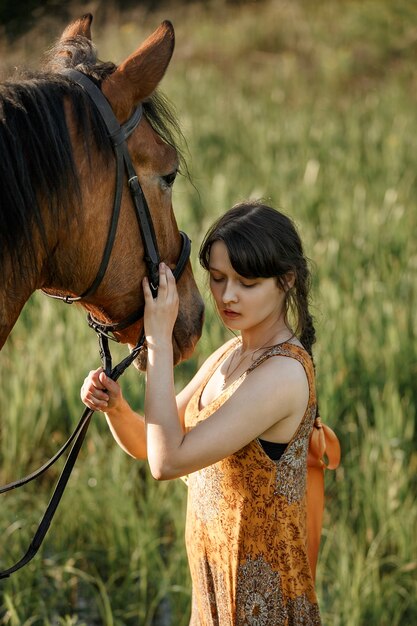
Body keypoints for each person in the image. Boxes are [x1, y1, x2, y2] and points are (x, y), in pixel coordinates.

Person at [81, 201, 322, 625]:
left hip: (260, 612)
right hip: (212, 602)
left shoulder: (283, 373)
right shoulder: (232, 354)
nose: (227, 296)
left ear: (286, 281)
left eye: (246, 283)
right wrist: (116, 408)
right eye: (217, 278)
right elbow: (149, 443)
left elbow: (167, 461)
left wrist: (158, 339)